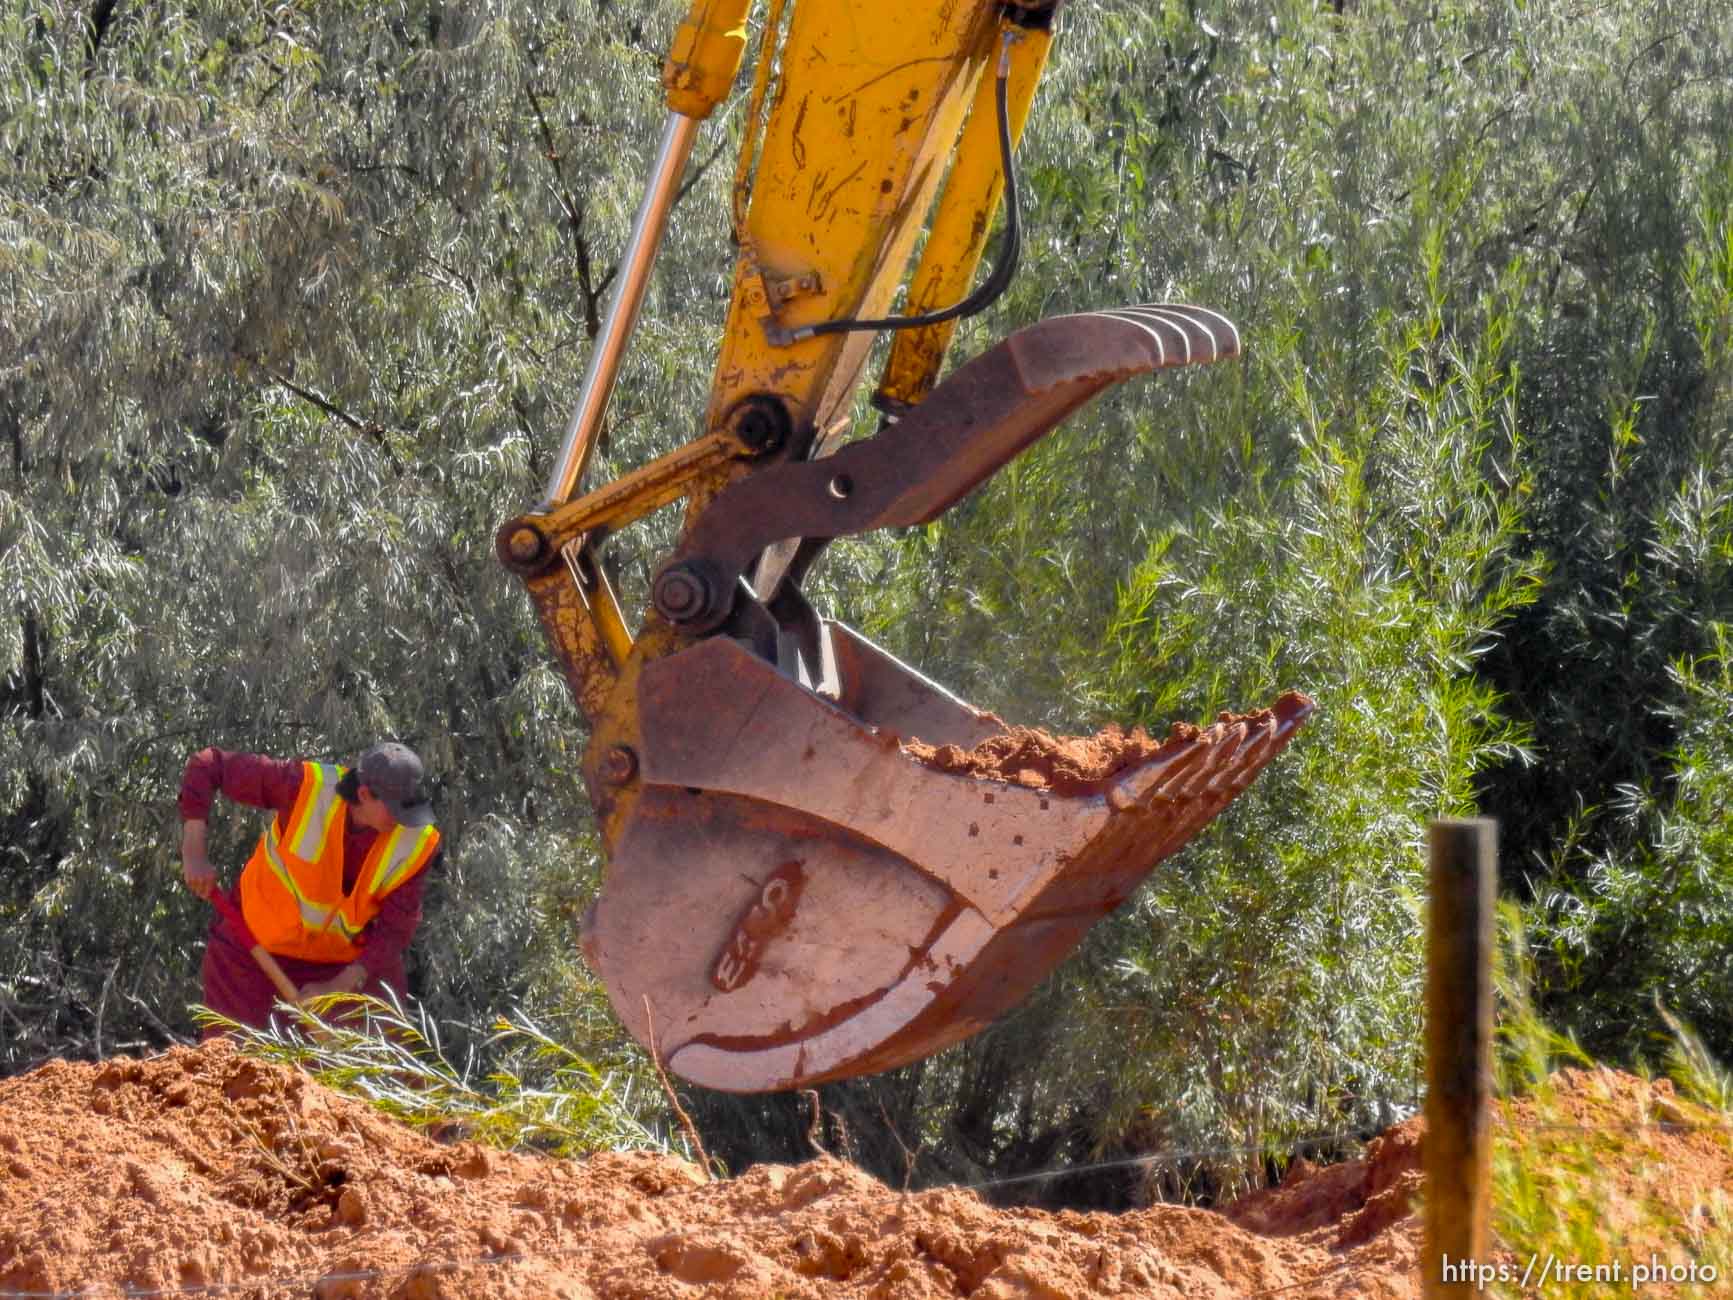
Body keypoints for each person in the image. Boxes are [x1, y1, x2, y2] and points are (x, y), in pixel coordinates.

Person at [177, 741, 441, 1034]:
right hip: (251, 953)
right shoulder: (303, 787)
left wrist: (336, 987)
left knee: (378, 1065)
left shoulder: (417, 842)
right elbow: (208, 764)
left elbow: (394, 929)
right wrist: (193, 852)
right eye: (396, 809)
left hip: (340, 966)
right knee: (236, 1068)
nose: (406, 820)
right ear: (364, 794)